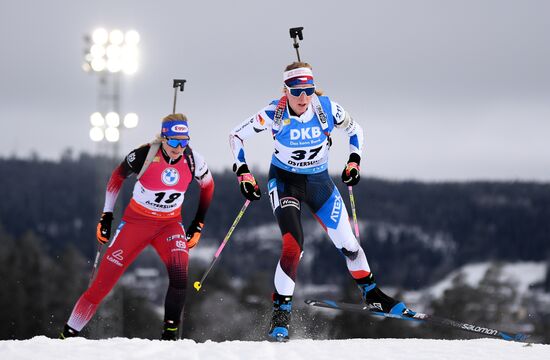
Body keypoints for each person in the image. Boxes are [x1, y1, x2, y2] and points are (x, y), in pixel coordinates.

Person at [229, 62, 412, 341]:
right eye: (296, 90)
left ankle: (372, 294)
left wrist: (354, 161)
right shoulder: (272, 113)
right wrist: (242, 171)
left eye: (308, 90)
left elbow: (356, 130)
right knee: (293, 245)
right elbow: (236, 135)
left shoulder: (327, 109)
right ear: (286, 90)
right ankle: (281, 313)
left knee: (350, 246)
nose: (303, 97)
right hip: (286, 182)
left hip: (320, 184)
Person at [60, 114, 214, 340]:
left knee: (180, 276)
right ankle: (67, 335)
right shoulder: (144, 155)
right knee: (101, 286)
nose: (178, 147)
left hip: (169, 225)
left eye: (184, 141)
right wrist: (107, 216)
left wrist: (198, 223)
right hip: (136, 223)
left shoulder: (194, 160)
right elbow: (116, 178)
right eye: (173, 141)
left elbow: (208, 187)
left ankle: (169, 337)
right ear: (163, 138)